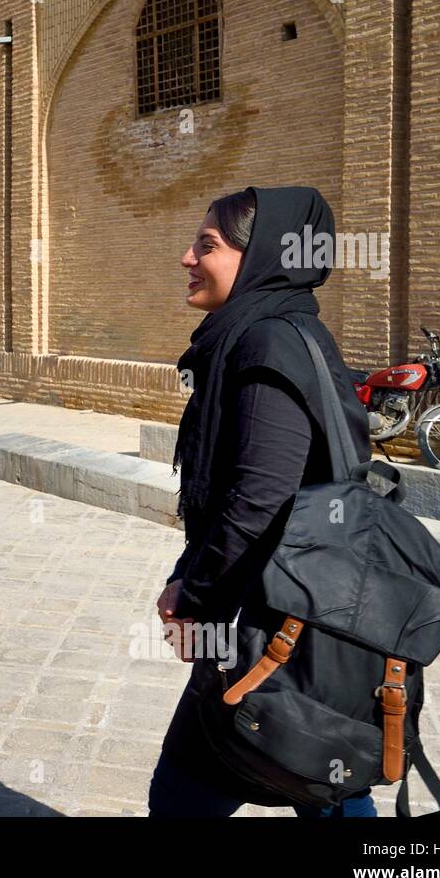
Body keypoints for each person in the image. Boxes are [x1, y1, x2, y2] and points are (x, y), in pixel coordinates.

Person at [147, 187, 374, 818]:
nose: (187, 257)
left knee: (183, 798)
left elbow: (259, 500)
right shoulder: (295, 331)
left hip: (268, 621)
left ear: (260, 257)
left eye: (208, 245)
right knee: (326, 779)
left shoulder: (266, 341)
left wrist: (191, 594)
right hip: (311, 616)